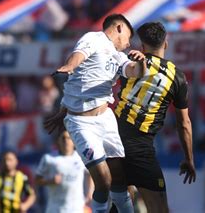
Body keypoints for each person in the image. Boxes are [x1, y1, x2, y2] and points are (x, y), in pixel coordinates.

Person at [44, 14, 146, 213]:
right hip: (81, 123)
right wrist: (70, 66)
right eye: (127, 37)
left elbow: (135, 71)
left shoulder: (119, 56)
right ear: (118, 28)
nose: (127, 44)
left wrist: (141, 63)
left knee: (122, 181)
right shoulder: (93, 39)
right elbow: (78, 56)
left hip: (106, 119)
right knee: (103, 180)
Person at [115, 22, 196, 213]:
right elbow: (184, 123)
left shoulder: (129, 62)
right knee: (158, 209)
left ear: (142, 46)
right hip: (140, 146)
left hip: (113, 139)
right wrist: (189, 159)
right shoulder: (177, 77)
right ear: (165, 43)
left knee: (119, 206)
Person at [36, 131, 94, 213]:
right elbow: (37, 180)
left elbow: (90, 173)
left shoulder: (81, 157)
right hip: (55, 208)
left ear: (73, 141)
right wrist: (50, 181)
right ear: (58, 141)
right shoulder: (48, 158)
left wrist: (90, 192)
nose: (66, 141)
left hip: (76, 208)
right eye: (63, 138)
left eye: (69, 138)